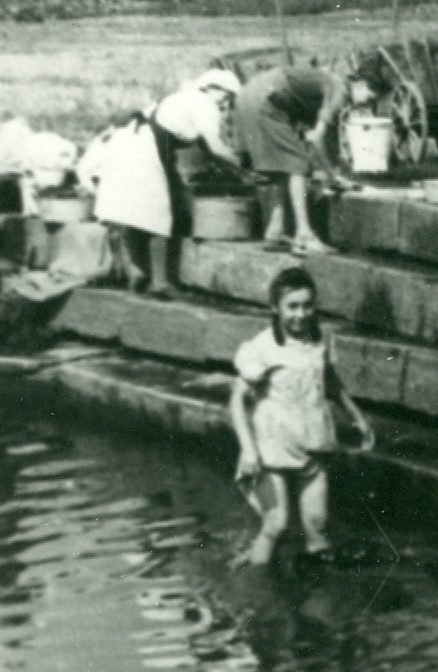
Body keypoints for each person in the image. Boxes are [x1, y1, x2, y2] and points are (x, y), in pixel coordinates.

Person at [230, 266, 375, 568]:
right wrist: (248, 449)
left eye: (308, 305)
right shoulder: (262, 348)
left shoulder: (319, 339)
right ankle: (259, 592)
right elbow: (236, 402)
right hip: (273, 448)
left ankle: (317, 598)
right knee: (277, 524)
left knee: (318, 524)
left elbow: (331, 382)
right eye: (292, 307)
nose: (301, 314)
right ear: (275, 308)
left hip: (313, 442)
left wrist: (356, 416)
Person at [93, 69, 244, 296]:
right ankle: (160, 283)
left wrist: (230, 169)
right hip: (144, 148)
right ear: (213, 88)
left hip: (126, 143)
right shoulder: (204, 104)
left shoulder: (182, 98)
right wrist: (245, 168)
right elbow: (215, 148)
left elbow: (207, 150)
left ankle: (137, 272)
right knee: (157, 214)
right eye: (227, 97)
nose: (226, 104)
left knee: (133, 211)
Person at [234, 61, 382, 254]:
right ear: (360, 85)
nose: (367, 104)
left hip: (250, 95)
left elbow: (319, 142)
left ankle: (275, 231)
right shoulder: (340, 89)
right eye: (369, 98)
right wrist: (331, 176)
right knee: (298, 165)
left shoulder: (327, 86)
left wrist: (332, 175)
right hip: (268, 98)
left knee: (283, 166)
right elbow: (317, 137)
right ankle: (304, 236)